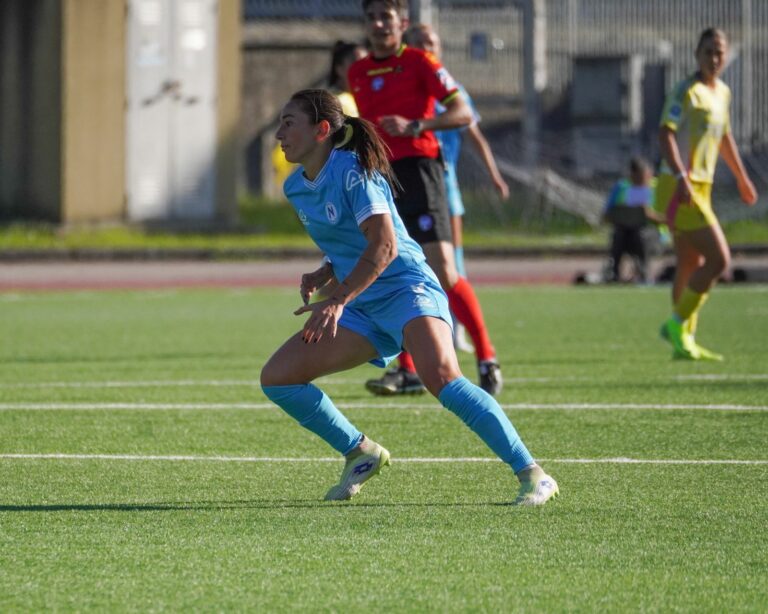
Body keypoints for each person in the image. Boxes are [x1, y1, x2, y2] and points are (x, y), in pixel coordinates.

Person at [260, 88, 558, 506]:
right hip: (361, 304)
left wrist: (336, 299)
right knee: (279, 378)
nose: (278, 133)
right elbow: (348, 237)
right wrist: (326, 268)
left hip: (406, 287)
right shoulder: (296, 187)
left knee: (442, 380)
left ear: (322, 129)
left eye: (289, 123)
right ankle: (359, 452)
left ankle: (533, 474)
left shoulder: (354, 172)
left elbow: (384, 247)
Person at [349, 0, 503, 397]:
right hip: (380, 177)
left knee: (444, 272)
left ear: (401, 23)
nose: (379, 24)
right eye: (372, 17)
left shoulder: (420, 62)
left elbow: (463, 112)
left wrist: (417, 124)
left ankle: (486, 356)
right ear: (365, 24)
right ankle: (407, 369)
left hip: (420, 170)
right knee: (388, 269)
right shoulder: (358, 72)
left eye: (386, 17)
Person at [405, 23, 510, 352]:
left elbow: (472, 132)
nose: (427, 46)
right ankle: (414, 343)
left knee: (451, 263)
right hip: (407, 180)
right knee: (411, 261)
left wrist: (494, 174)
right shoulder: (404, 82)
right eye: (420, 42)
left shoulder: (450, 89)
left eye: (431, 41)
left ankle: (458, 328)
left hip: (443, 184)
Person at [655, 27, 758, 360]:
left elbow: (724, 137)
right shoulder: (686, 92)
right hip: (680, 188)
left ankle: (684, 341)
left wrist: (742, 178)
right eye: (708, 51)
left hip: (702, 187)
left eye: (719, 52)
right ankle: (676, 322)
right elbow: (665, 133)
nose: (714, 58)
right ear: (696, 55)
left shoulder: (722, 93)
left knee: (689, 262)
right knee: (718, 259)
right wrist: (681, 175)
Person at [271, 41, 368, 195]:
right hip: (339, 185)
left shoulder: (363, 100)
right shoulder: (339, 103)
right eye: (356, 63)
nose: (364, 69)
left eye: (367, 63)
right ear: (339, 69)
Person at [601, 157, 661, 284]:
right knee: (619, 235)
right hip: (625, 231)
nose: (639, 181)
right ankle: (614, 273)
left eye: (642, 177)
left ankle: (644, 272)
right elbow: (607, 214)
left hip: (650, 232)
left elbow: (665, 216)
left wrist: (650, 215)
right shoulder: (621, 187)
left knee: (639, 235)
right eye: (636, 177)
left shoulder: (658, 187)